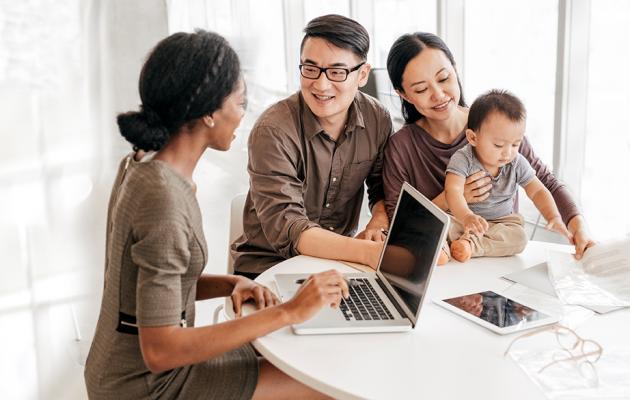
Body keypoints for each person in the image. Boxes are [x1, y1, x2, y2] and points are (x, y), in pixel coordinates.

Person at [84, 30, 349, 400]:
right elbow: (161, 351)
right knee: (328, 386)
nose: (243, 116)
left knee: (301, 358)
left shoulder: (143, 163)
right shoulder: (164, 202)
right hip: (147, 386)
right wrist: (289, 311)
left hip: (120, 369)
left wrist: (228, 284)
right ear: (209, 113)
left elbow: (155, 283)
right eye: (240, 103)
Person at [383, 32, 595, 261]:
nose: (438, 95)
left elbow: (546, 183)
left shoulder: (497, 126)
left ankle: (471, 246)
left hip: (499, 264)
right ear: (402, 94)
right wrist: (451, 199)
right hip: (443, 268)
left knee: (517, 237)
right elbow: (399, 223)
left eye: (444, 78)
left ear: (455, 69)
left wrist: (579, 226)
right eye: (421, 89)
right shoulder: (401, 146)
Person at [230, 14, 393, 278]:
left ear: (362, 74)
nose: (321, 84)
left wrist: (379, 219)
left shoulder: (378, 119)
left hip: (338, 263)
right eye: (310, 68)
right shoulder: (273, 131)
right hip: (269, 269)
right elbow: (289, 227)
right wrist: (367, 253)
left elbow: (380, 187)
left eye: (337, 72)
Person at [444, 89, 571, 262]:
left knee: (519, 238)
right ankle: (443, 249)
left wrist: (553, 216)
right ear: (473, 138)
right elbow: (453, 191)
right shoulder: (463, 158)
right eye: (498, 145)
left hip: (501, 223)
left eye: (515, 144)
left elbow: (537, 191)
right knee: (443, 224)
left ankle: (472, 246)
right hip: (464, 219)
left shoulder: (517, 162)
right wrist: (466, 216)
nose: (508, 153)